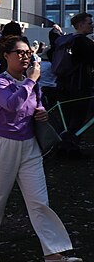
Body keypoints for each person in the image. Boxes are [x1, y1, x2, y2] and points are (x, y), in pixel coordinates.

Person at [0, 36, 82, 262]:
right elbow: (12, 105)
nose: (25, 57)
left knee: (39, 201)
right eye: (20, 53)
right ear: (6, 56)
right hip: (3, 145)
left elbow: (36, 104)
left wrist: (41, 112)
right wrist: (31, 81)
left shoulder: (31, 83)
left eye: (27, 53)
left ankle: (53, 254)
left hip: (30, 147)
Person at [53, 12, 94, 156]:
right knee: (77, 118)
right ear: (80, 24)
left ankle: (64, 145)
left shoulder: (66, 41)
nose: (92, 25)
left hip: (64, 84)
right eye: (89, 23)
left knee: (67, 118)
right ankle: (71, 147)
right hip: (80, 85)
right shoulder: (84, 42)